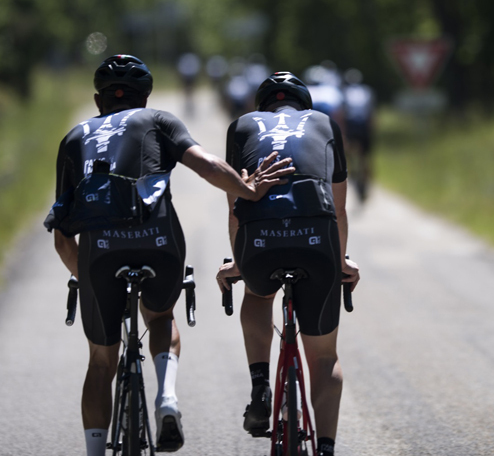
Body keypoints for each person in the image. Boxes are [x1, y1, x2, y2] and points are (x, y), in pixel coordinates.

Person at [46, 54, 293, 455]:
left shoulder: (74, 137)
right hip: (158, 240)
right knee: (160, 316)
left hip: (98, 252)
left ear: (97, 101)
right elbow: (207, 165)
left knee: (100, 364)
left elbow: (61, 237)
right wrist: (249, 190)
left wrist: (89, 279)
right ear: (146, 97)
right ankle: (167, 398)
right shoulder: (158, 121)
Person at [216, 72, 360, 456]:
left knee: (258, 293)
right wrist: (341, 260)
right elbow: (340, 209)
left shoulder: (242, 126)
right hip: (317, 239)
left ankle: (260, 384)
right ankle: (326, 448)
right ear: (304, 105)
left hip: (260, 238)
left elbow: (236, 205)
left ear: (260, 106)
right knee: (325, 357)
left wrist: (238, 262)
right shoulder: (326, 124)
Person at [342, 68, 376, 202]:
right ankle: (366, 182)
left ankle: (354, 176)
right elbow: (371, 112)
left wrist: (343, 134)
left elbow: (343, 114)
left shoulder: (345, 92)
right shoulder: (367, 91)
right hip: (364, 126)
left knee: (350, 155)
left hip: (351, 126)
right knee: (366, 157)